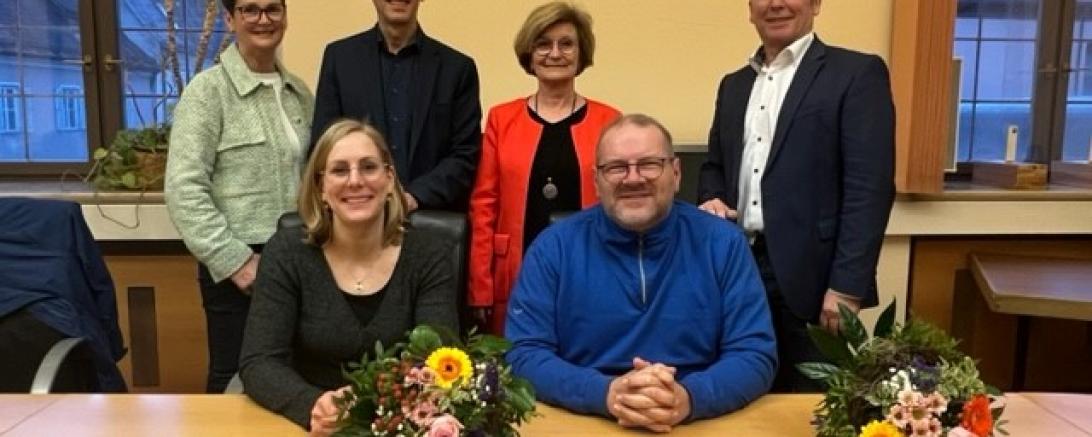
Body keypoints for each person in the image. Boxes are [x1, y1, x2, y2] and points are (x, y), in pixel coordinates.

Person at [506, 114, 777, 432]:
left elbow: (754, 353)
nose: (633, 179)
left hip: (698, 419)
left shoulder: (723, 243)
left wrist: (688, 398)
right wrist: (607, 394)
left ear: (675, 173)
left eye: (649, 164)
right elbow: (523, 353)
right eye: (616, 167)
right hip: (584, 418)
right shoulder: (553, 248)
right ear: (596, 180)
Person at [696, 0, 895, 392]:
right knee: (743, 396)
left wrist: (847, 285)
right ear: (750, 8)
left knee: (811, 408)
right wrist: (712, 197)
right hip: (740, 270)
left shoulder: (855, 74)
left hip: (816, 281)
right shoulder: (733, 85)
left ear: (816, 4)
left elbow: (868, 189)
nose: (776, 4)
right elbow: (714, 166)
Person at [239, 119, 459, 435]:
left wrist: (369, 405)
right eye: (340, 170)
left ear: (389, 180)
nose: (355, 181)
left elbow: (439, 362)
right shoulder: (287, 253)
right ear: (321, 188)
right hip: (310, 423)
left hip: (401, 422)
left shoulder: (429, 254)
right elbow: (259, 361)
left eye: (369, 167)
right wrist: (312, 404)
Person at [165, 0, 313, 394]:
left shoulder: (298, 92)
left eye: (272, 9)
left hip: (300, 259)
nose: (263, 20)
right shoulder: (207, 92)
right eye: (250, 9)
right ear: (230, 19)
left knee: (293, 377)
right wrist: (236, 263)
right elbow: (183, 188)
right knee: (234, 378)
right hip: (239, 266)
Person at [468, 2, 621, 335]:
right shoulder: (500, 119)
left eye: (566, 43)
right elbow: (484, 207)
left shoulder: (608, 121)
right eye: (543, 44)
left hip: (590, 273)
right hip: (514, 273)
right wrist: (481, 286)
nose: (555, 53)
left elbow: (620, 207)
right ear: (529, 53)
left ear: (581, 53)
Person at [310, 0, 482, 212]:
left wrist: (412, 197)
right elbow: (324, 146)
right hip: (355, 218)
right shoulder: (339, 59)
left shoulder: (457, 69)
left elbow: (465, 154)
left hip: (431, 221)